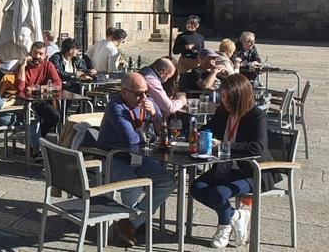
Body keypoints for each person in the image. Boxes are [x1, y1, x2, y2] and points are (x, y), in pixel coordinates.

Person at [191, 73, 278, 248]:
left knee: (219, 193)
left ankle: (224, 227)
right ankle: (237, 216)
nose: (224, 102)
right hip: (226, 168)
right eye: (222, 97)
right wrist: (199, 133)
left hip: (252, 171)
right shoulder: (222, 112)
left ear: (240, 97)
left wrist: (225, 144)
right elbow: (208, 129)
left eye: (227, 98)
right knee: (196, 188)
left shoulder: (256, 116)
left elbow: (257, 147)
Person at [96, 73, 174, 247]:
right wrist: (148, 135)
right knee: (134, 185)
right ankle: (132, 223)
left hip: (138, 156)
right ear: (124, 92)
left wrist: (155, 116)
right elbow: (130, 139)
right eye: (138, 93)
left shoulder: (146, 103)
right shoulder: (116, 106)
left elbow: (163, 131)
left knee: (168, 181)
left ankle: (130, 223)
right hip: (113, 156)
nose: (144, 97)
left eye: (146, 92)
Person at [14, 42, 62, 138]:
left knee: (55, 116)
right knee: (36, 118)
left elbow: (58, 84)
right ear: (30, 53)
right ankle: (36, 144)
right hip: (26, 102)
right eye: (35, 53)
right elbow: (20, 89)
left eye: (40, 54)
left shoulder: (48, 65)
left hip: (42, 101)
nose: (37, 56)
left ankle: (39, 138)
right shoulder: (23, 67)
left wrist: (38, 88)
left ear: (45, 56)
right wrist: (23, 66)